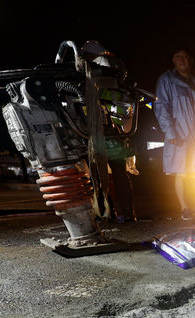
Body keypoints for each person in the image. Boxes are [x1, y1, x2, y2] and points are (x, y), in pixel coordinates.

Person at [81, 40, 138, 222]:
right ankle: (129, 214)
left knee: (97, 175)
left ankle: (106, 213)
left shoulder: (86, 74)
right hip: (114, 132)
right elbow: (126, 114)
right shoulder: (116, 75)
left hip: (94, 134)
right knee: (120, 174)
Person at [154, 45, 195, 221]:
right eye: (178, 56)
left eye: (186, 57)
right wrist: (170, 131)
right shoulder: (167, 80)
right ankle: (185, 208)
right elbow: (161, 106)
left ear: (191, 60)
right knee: (181, 171)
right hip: (180, 132)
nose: (183, 60)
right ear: (173, 60)